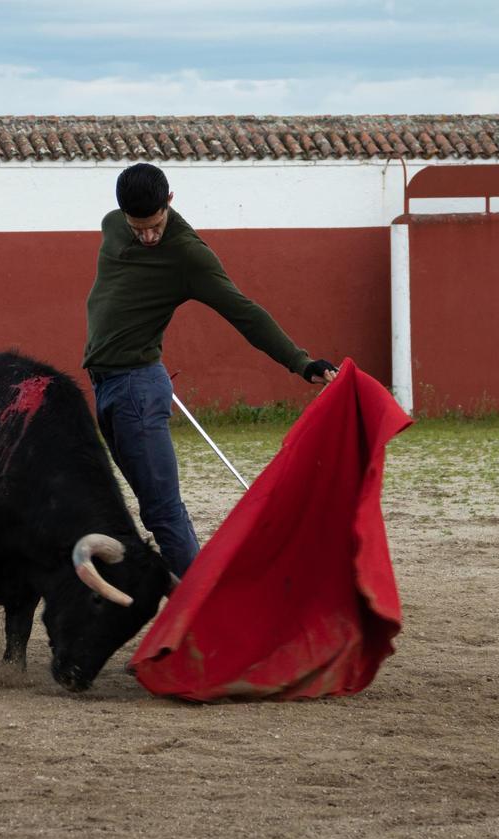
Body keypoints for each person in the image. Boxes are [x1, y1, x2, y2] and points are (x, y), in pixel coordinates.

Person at [83, 163, 339, 579]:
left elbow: (244, 313)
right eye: (138, 228)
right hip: (105, 385)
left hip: (137, 389)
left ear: (170, 202)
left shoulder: (189, 255)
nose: (148, 236)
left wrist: (301, 362)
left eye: (155, 225)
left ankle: (204, 610)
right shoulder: (112, 225)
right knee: (138, 508)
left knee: (163, 511)